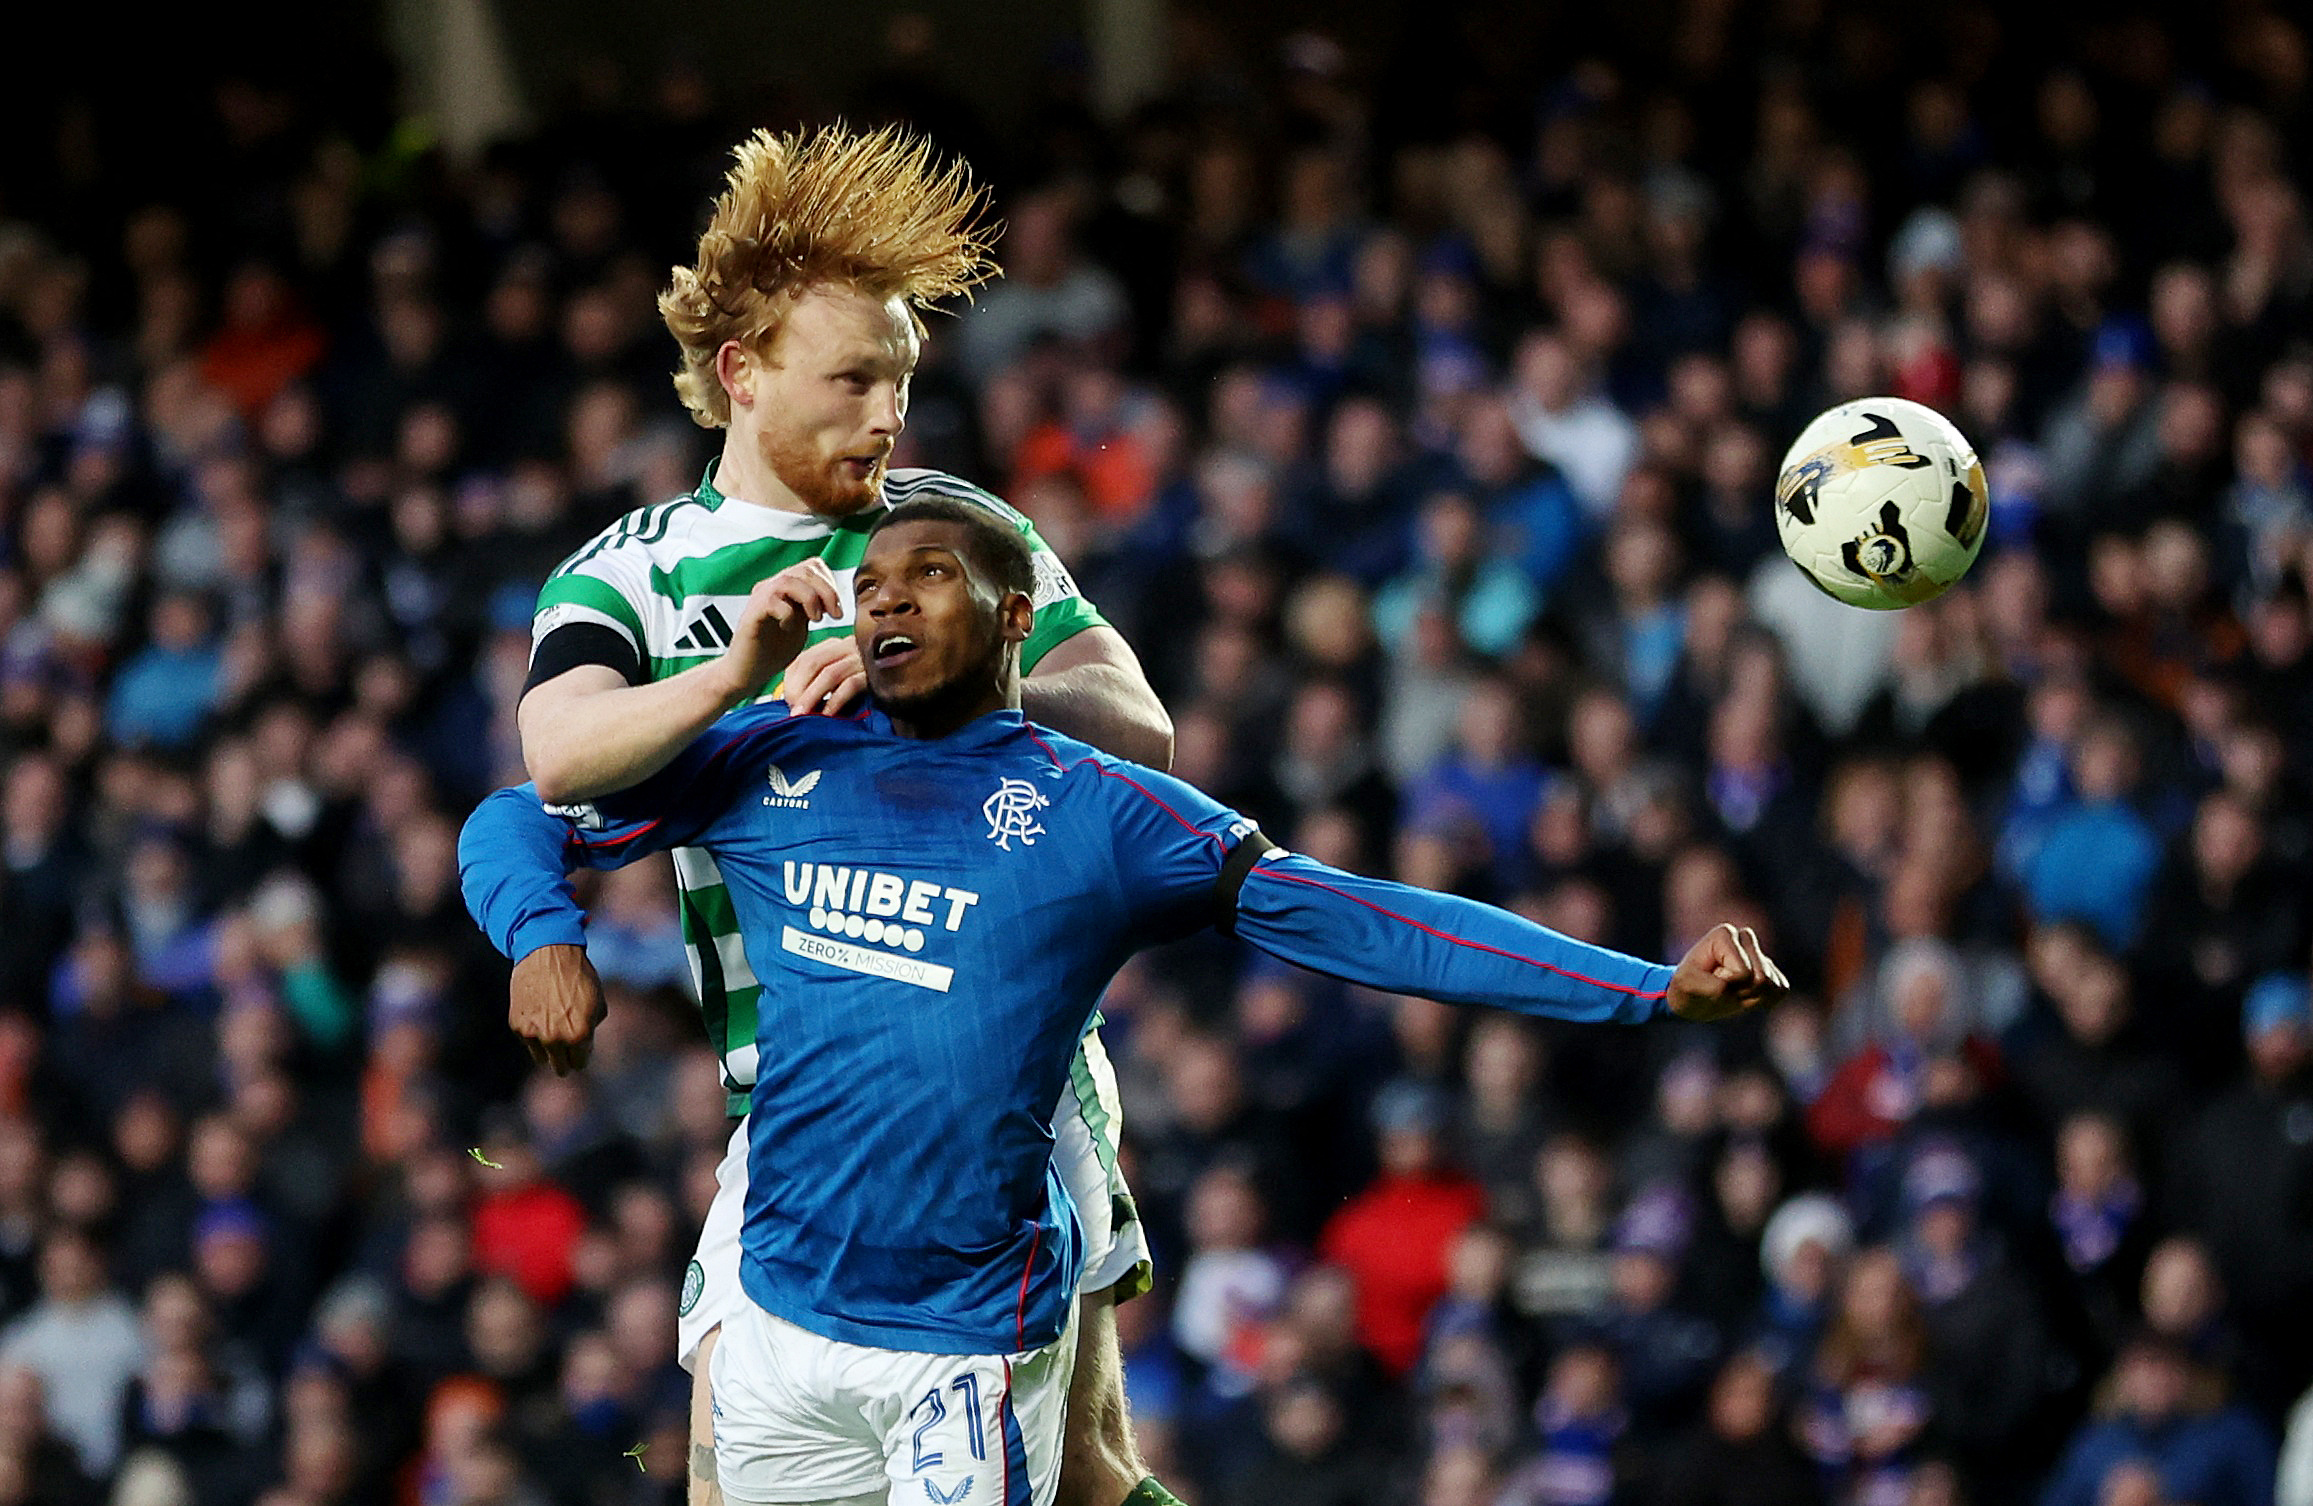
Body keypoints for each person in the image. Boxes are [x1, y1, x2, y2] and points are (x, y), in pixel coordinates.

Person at [459, 499, 1789, 1506]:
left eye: (929, 574)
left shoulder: (1104, 814)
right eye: (868, 587)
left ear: (1015, 612)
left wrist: (1647, 991)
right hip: (777, 1309)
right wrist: (539, 937)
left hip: (964, 1344)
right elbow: (514, 820)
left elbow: (1371, 919)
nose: (885, 604)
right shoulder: (773, 755)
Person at [511, 124, 1174, 1506]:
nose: (890, 417)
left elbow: (1135, 719)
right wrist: (735, 680)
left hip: (999, 1077)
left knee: (1087, 1473)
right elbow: (559, 754)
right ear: (742, 374)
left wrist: (912, 697)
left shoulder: (949, 529)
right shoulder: (627, 577)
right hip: (790, 1097)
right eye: (855, 378)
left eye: (903, 380)